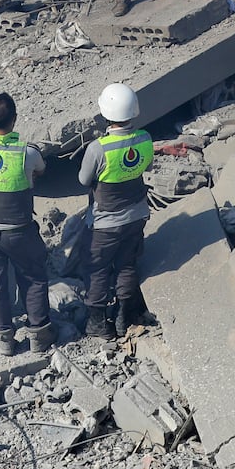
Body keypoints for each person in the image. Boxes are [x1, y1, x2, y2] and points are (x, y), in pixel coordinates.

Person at [0, 92, 55, 355]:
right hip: (17, 229)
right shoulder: (26, 152)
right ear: (15, 119)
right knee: (33, 277)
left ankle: (4, 339)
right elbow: (40, 170)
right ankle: (39, 335)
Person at [77, 83, 154, 337]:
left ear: (106, 113)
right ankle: (123, 315)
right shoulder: (144, 139)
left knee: (97, 268)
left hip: (105, 223)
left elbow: (84, 180)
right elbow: (147, 166)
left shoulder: (98, 148)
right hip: (137, 215)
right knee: (126, 264)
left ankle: (98, 322)